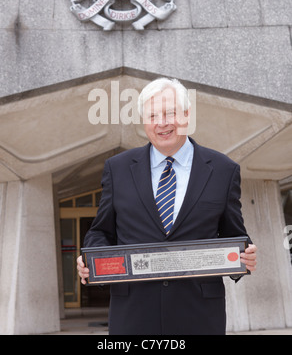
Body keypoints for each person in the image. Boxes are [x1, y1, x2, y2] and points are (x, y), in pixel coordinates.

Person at [77, 77, 257, 335]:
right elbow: (100, 232)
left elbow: (234, 236)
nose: (162, 123)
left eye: (170, 112)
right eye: (152, 115)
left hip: (199, 315)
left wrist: (246, 255)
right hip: (133, 314)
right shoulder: (117, 169)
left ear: (186, 114)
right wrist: (92, 260)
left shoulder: (223, 171)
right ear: (143, 121)